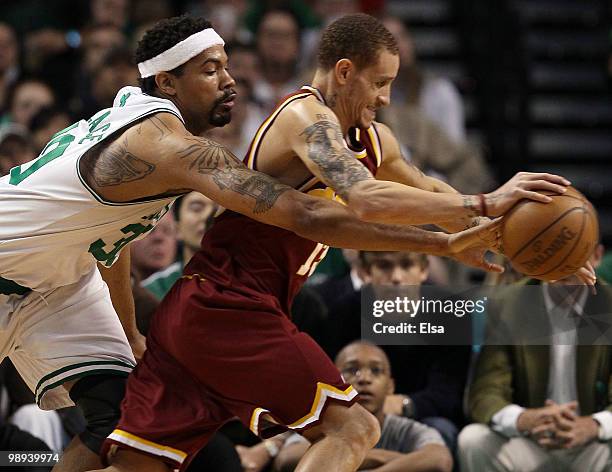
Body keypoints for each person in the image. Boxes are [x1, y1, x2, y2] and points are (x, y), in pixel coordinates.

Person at [0, 14, 509, 472]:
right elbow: (317, 212)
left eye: (226, 65)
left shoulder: (139, 124)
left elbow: (106, 239)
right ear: (166, 81)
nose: (229, 80)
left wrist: (509, 226)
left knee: (117, 438)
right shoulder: (174, 146)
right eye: (209, 70)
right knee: (355, 428)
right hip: (223, 305)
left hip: (70, 285)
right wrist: (461, 227)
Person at [97, 14, 591, 472]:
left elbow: (435, 192)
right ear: (344, 71)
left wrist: (526, 242)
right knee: (354, 427)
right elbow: (366, 197)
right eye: (380, 83)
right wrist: (483, 203)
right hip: (229, 305)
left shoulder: (375, 140)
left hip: (202, 310)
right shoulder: (302, 118)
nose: (386, 99)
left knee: (137, 467)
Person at [459, 245, 612, 472]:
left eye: (576, 253)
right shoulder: (507, 302)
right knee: (473, 440)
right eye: (555, 253)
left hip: (592, 444)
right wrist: (525, 420)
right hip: (530, 442)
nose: (564, 263)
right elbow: (485, 392)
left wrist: (595, 425)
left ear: (597, 256)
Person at [275, 341, 453, 472]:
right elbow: (287, 457)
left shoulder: (405, 429)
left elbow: (440, 459)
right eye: (352, 370)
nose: (364, 379)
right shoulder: (324, 423)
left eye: (376, 371)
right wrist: (383, 457)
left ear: (390, 386)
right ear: (334, 382)